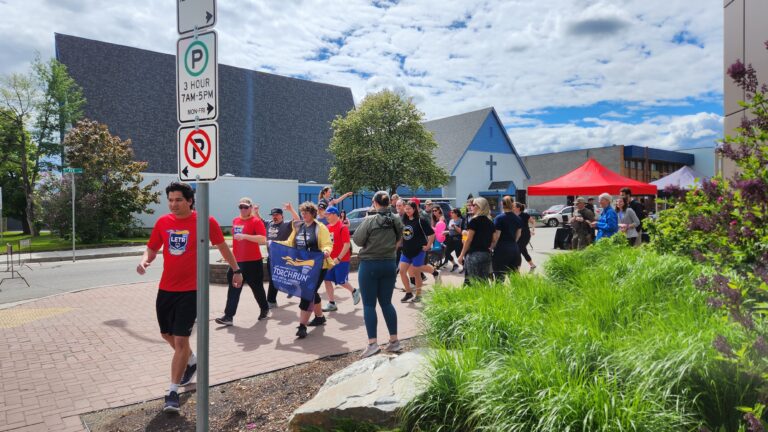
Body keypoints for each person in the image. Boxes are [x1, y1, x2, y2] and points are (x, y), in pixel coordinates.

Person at [136, 182, 243, 413]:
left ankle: (172, 392)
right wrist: (145, 259)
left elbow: (223, 247)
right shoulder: (163, 222)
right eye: (171, 200)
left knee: (180, 339)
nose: (174, 204)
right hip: (166, 288)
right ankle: (191, 361)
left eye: (179, 200)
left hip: (191, 290)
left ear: (190, 200)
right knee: (166, 334)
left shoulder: (206, 221)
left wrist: (236, 270)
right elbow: (153, 247)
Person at [352, 191, 404, 358]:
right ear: (389, 202)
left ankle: (373, 343)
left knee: (369, 305)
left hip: (370, 264)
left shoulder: (369, 220)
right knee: (387, 303)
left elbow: (358, 240)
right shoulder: (396, 219)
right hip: (389, 263)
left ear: (374, 202)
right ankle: (394, 341)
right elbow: (399, 238)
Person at [276, 202, 333, 339]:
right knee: (311, 291)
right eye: (302, 212)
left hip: (318, 266)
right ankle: (319, 317)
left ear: (313, 213)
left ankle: (302, 326)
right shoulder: (299, 227)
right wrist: (274, 243)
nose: (304, 214)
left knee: (307, 292)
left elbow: (327, 244)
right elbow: (290, 243)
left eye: (306, 212)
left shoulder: (320, 227)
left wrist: (326, 251)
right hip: (302, 266)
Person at [215, 198, 269, 326]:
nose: (243, 209)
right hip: (237, 262)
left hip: (253, 262)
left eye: (246, 207)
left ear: (250, 208)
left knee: (257, 288)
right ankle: (228, 316)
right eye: (241, 207)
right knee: (234, 289)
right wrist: (229, 257)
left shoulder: (256, 221)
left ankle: (264, 308)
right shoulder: (235, 220)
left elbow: (262, 239)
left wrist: (245, 236)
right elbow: (235, 241)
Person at [399, 201, 440, 303]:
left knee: (417, 272)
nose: (407, 210)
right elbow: (402, 234)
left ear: (414, 209)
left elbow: (432, 234)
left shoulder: (421, 221)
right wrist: (397, 245)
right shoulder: (404, 220)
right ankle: (408, 293)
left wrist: (428, 246)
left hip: (418, 251)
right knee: (402, 271)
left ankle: (418, 295)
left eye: (409, 209)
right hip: (406, 251)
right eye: (406, 209)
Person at [322, 206, 361, 311]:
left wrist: (338, 258)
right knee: (327, 280)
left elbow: (347, 245)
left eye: (328, 214)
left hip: (341, 260)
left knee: (341, 281)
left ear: (334, 214)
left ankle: (354, 291)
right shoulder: (327, 227)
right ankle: (331, 303)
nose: (326, 217)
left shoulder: (342, 227)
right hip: (329, 260)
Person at [458, 197, 495, 284]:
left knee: (471, 283)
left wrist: (461, 255)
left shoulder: (474, 221)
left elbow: (469, 240)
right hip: (486, 255)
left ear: (480, 206)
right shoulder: (490, 221)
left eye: (474, 205)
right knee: (483, 282)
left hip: (474, 255)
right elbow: (494, 239)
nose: (471, 207)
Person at [264, 207, 294, 309]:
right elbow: (258, 219)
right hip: (271, 256)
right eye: (273, 215)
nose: (274, 217)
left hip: (282, 257)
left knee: (274, 278)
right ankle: (291, 287)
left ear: (282, 215)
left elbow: (298, 220)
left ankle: (271, 301)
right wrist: (256, 211)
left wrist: (291, 210)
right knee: (277, 278)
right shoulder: (269, 223)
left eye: (277, 215)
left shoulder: (286, 224)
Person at [491, 196, 522, 279]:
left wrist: (491, 247)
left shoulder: (499, 218)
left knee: (499, 279)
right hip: (515, 250)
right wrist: (512, 242)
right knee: (515, 279)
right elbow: (518, 235)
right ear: (513, 204)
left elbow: (497, 236)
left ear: (502, 204)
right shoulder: (518, 218)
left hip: (502, 250)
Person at [513, 202, 536, 271]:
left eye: (513, 206)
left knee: (518, 250)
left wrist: (532, 230)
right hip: (517, 235)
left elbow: (533, 222)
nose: (512, 207)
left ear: (518, 208)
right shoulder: (513, 215)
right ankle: (532, 264)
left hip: (525, 235)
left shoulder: (525, 215)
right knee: (523, 251)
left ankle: (517, 268)